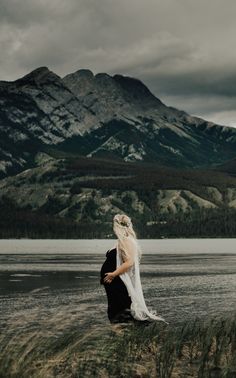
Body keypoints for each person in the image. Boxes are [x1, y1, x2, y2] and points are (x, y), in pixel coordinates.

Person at [100, 213, 168, 324]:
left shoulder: (126, 240)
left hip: (117, 281)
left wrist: (113, 274)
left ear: (117, 226)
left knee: (118, 312)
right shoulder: (121, 241)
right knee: (116, 311)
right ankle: (125, 335)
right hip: (113, 283)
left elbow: (129, 262)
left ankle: (127, 335)